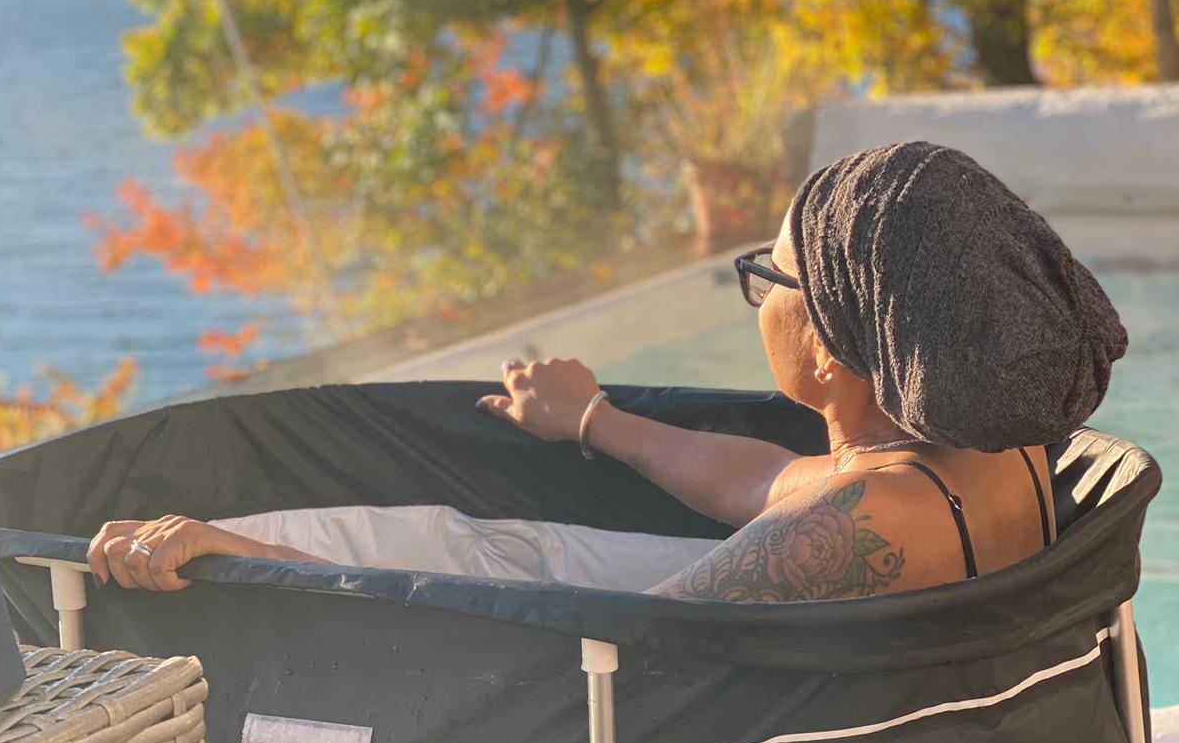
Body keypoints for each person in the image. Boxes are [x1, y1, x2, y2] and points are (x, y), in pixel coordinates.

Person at [88, 141, 1126, 604]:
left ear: (825, 344)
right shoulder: (995, 456)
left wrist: (243, 562)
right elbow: (764, 484)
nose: (758, 291)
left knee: (496, 564)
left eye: (770, 273)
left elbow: (579, 649)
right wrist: (595, 420)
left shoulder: (879, 522)